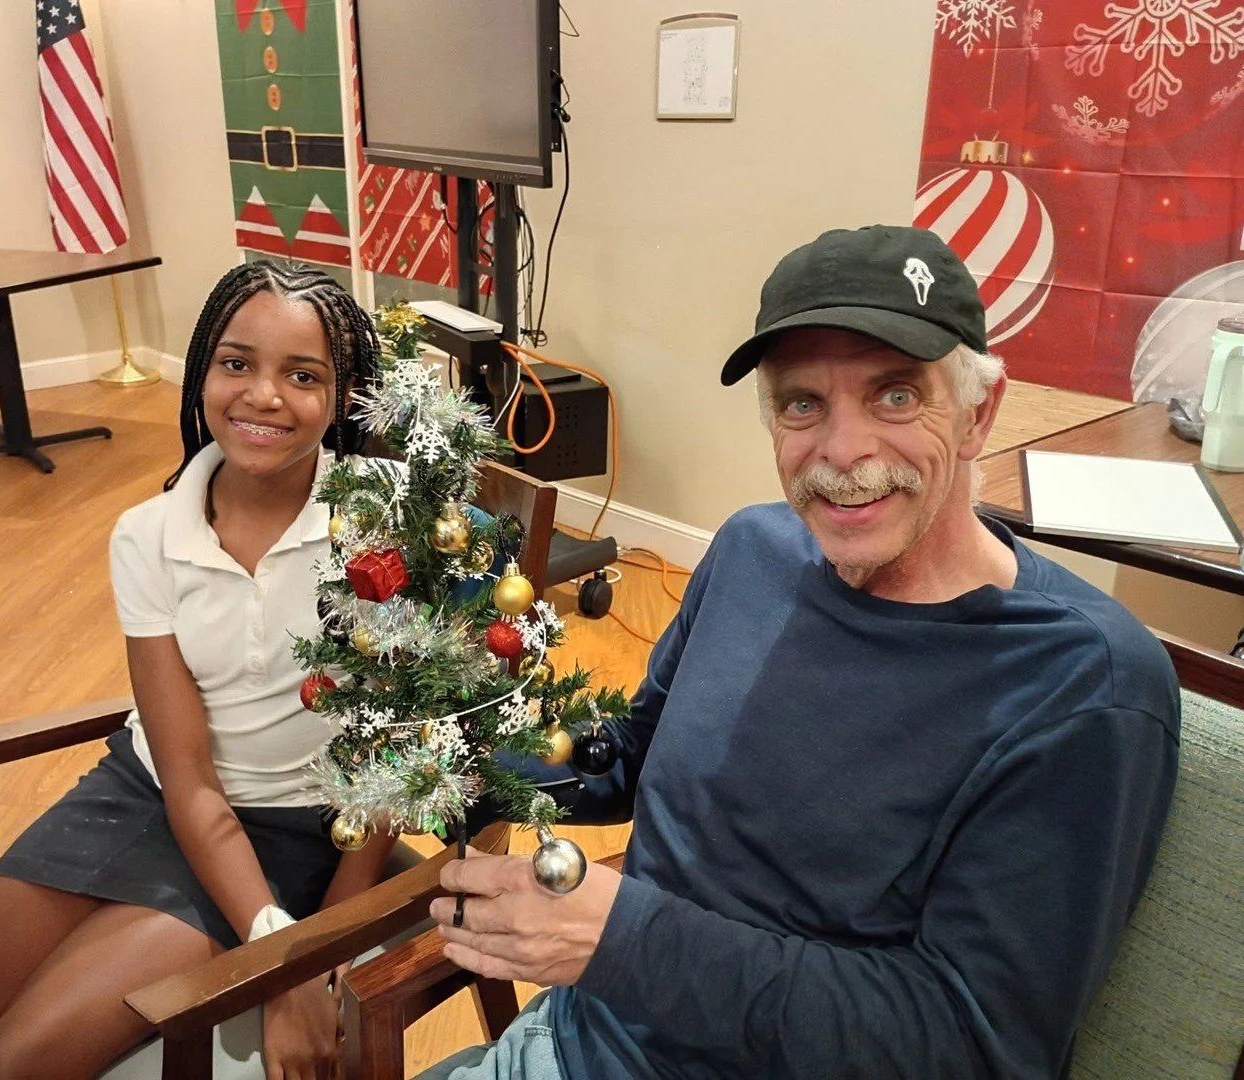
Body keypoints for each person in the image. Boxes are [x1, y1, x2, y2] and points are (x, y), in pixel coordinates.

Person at [418, 225, 1180, 1079]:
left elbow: (974, 1046)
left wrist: (624, 941)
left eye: (895, 396)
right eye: (801, 403)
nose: (843, 451)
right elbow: (631, 755)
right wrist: (452, 761)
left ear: (978, 414)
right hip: (568, 1039)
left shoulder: (1081, 685)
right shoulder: (752, 549)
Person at [0, 259, 396, 1080]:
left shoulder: (382, 523)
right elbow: (183, 775)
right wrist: (278, 957)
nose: (262, 395)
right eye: (236, 362)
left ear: (343, 394)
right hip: (147, 795)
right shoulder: (146, 535)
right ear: (202, 372)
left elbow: (405, 756)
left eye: (302, 375)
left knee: (10, 1064)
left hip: (286, 833)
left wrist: (306, 953)